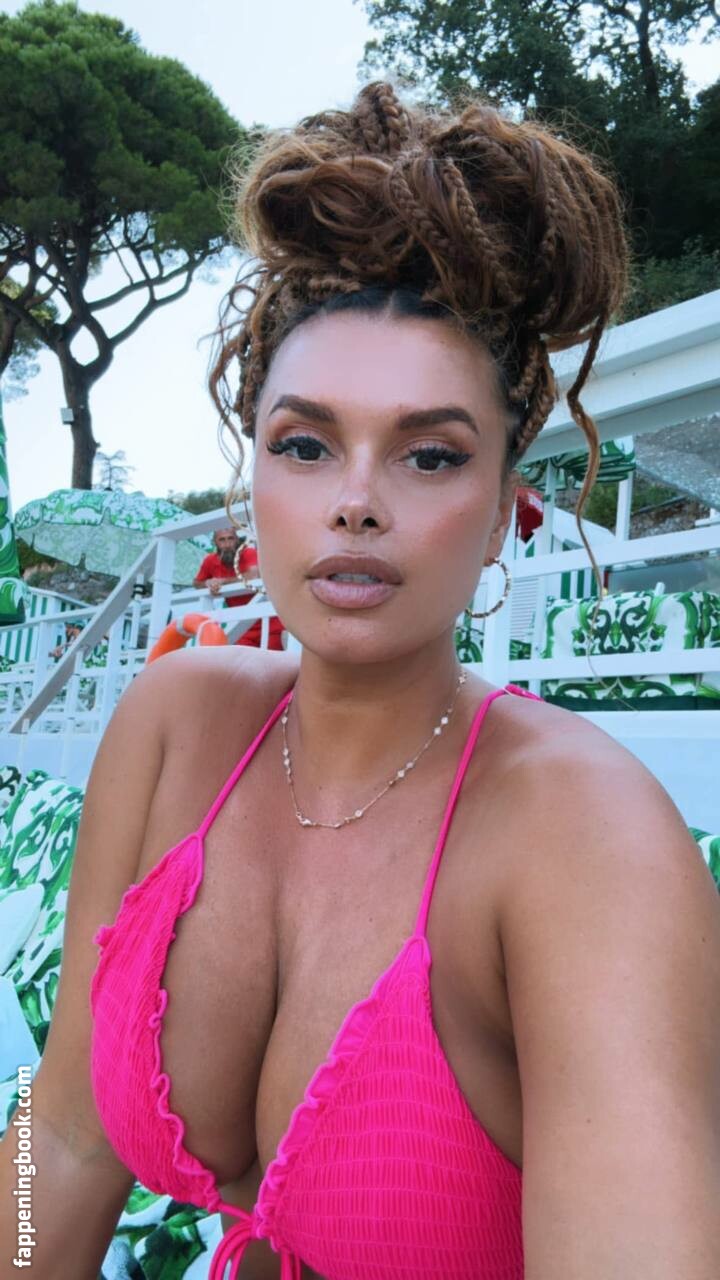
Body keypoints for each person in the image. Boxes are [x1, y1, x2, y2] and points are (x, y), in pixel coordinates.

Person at [1, 80, 718, 1280]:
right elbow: (61, 1138)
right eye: (305, 443)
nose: (355, 500)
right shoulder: (174, 725)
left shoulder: (582, 839)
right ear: (253, 483)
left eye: (429, 454)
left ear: (504, 512)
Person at [193, 526, 286, 649]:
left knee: (272, 660)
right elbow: (196, 583)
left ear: (237, 540)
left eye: (231, 538)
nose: (227, 544)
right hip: (240, 625)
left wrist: (222, 581)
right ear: (215, 542)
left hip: (269, 623)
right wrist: (208, 583)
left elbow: (253, 576)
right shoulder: (210, 560)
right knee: (243, 660)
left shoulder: (248, 552)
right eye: (222, 540)